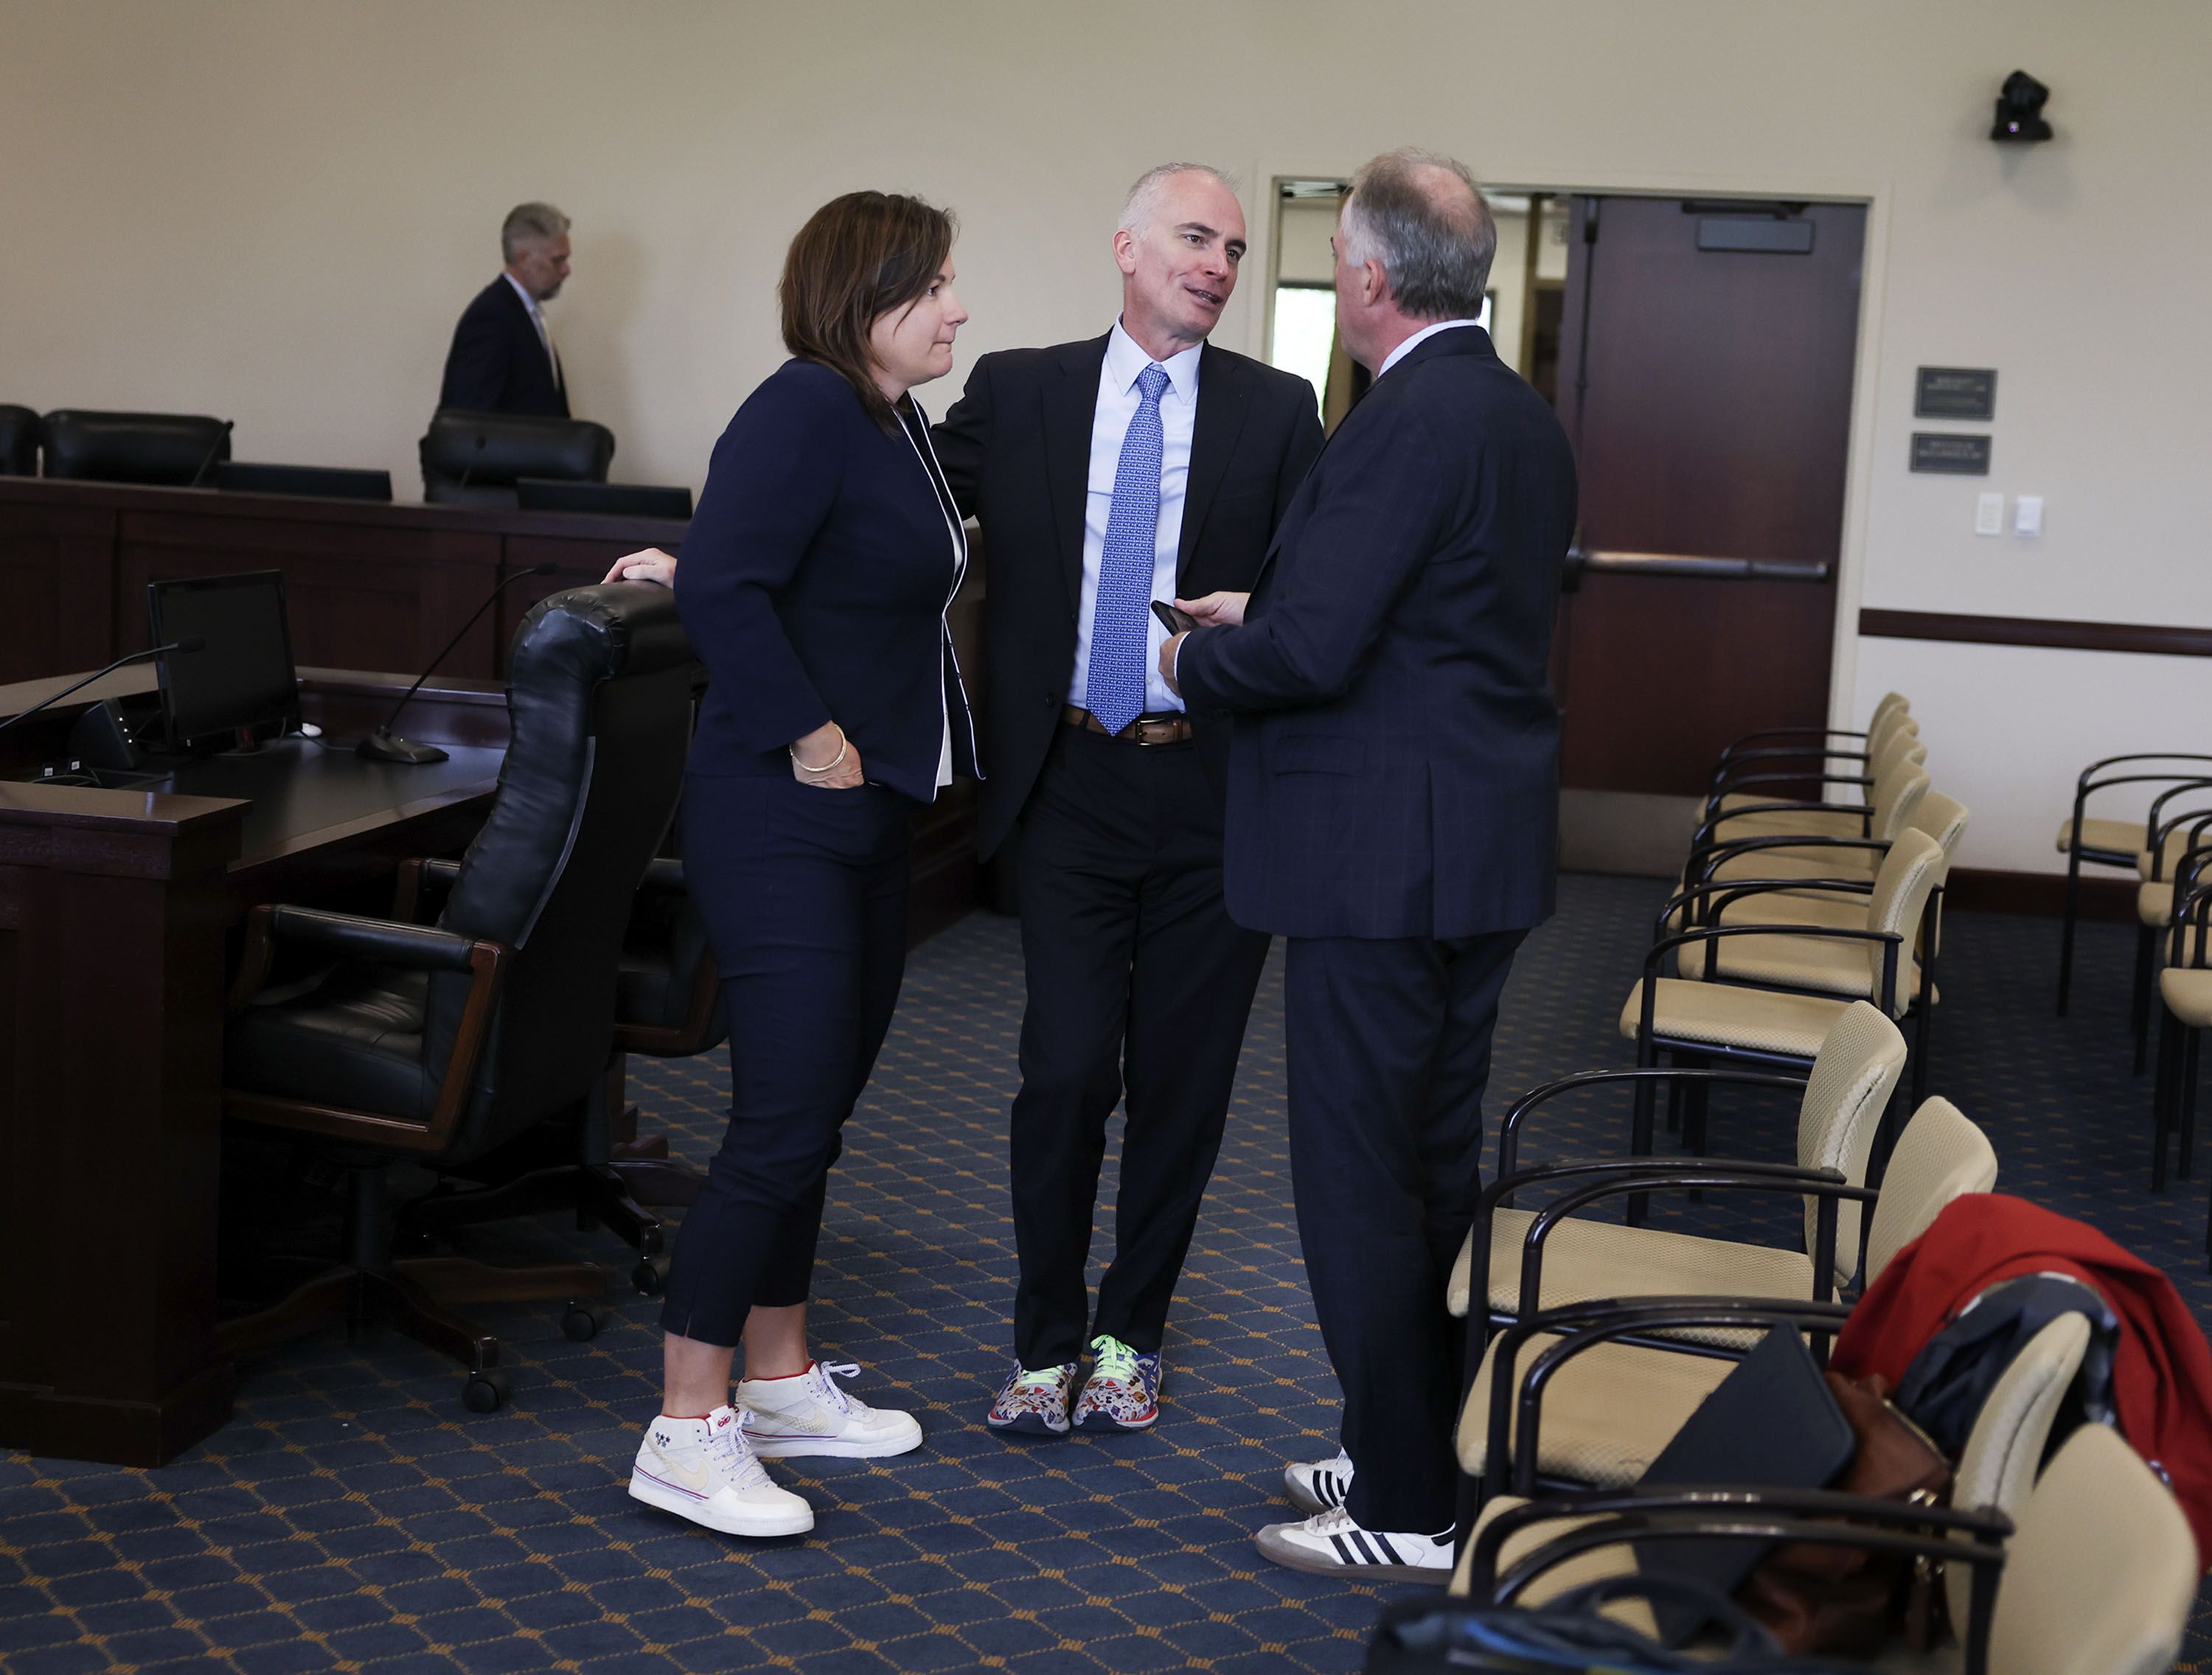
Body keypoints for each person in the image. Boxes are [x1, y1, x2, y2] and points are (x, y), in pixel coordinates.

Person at [1161, 148, 1577, 1579]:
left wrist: (1187, 650)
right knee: (1425, 1167)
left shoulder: (1406, 416)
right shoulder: (1517, 415)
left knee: (1357, 1177)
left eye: (1339, 257)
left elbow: (1316, 654)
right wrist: (1266, 601)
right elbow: (1427, 618)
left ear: (1371, 278)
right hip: (1469, 851)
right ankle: (1413, 1433)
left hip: (1378, 865)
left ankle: (1402, 1500)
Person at [930, 165, 1324, 1437]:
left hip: (1214, 790)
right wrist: (709, 555)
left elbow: (1323, 588)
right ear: (1127, 248)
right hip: (1070, 783)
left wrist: (1268, 614)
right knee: (1061, 1073)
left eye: (1234, 249)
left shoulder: (1277, 410)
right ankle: (1042, 1338)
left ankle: (1128, 1329)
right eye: (1195, 238)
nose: (1217, 263)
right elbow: (888, 506)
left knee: (1183, 1083)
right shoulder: (1025, 389)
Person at [621, 190, 978, 1541]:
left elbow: (764, 564)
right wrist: (813, 732)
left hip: (869, 813)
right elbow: (730, 585)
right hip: (782, 810)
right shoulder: (805, 406)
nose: (957, 306)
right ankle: (684, 1424)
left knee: (818, 1104)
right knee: (778, 1121)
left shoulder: (897, 423)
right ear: (866, 295)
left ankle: (776, 1376)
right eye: (937, 284)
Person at [439, 202, 574, 417]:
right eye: (557, 261)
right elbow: (468, 422)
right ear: (524, 259)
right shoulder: (491, 318)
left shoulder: (528, 313)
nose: (567, 270)